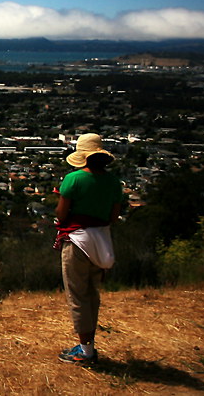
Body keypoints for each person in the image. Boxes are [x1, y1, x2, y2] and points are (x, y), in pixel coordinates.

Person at [54, 133, 124, 366]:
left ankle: (85, 352)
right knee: (92, 294)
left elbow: (61, 214)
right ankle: (88, 345)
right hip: (102, 241)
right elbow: (113, 216)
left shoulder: (73, 179)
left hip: (77, 240)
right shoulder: (113, 182)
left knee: (77, 295)